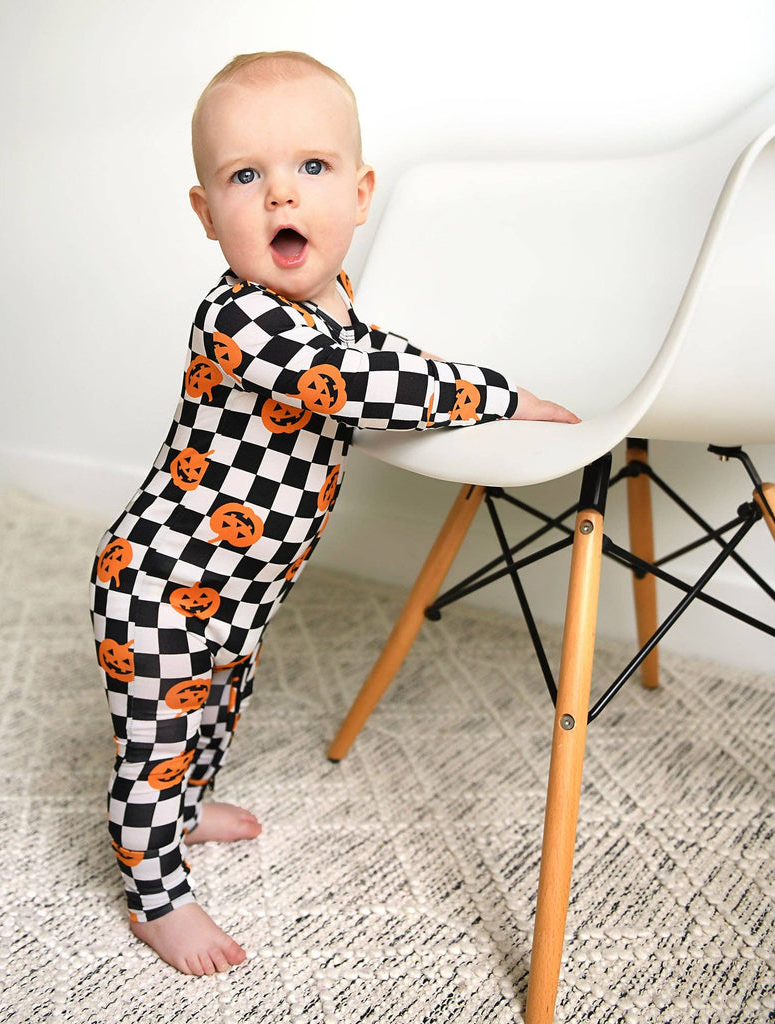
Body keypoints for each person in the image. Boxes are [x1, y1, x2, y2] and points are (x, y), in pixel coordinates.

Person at [89, 50, 578, 978]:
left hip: (241, 587)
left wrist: (477, 391)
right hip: (160, 581)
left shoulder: (334, 305)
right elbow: (359, 384)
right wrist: (498, 396)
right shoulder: (242, 321)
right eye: (245, 176)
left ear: (358, 196)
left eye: (311, 167)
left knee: (218, 711)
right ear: (206, 214)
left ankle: (185, 810)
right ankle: (157, 897)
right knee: (156, 744)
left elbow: (387, 358)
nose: (281, 194)